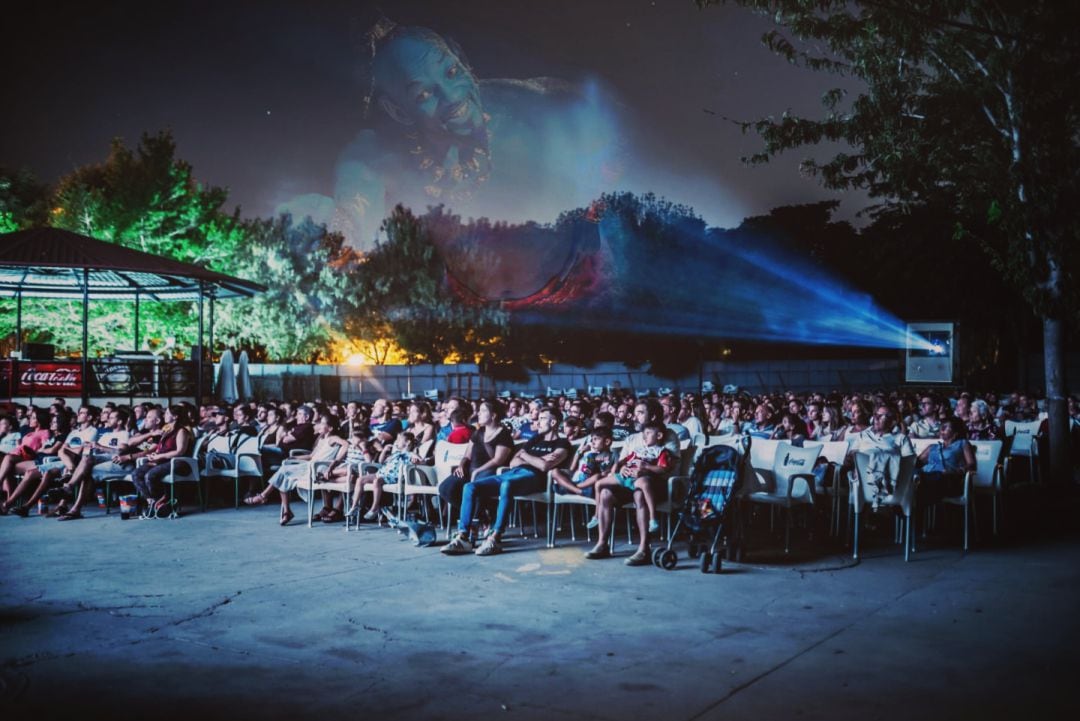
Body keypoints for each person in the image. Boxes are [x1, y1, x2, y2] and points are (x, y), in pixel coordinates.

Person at [442, 406, 571, 557]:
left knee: (506, 485)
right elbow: (513, 462)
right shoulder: (535, 439)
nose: (538, 421)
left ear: (554, 422)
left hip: (534, 478)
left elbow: (545, 466)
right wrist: (532, 459)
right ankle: (463, 537)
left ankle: (495, 538)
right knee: (470, 487)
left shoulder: (562, 443)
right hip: (513, 473)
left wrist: (525, 456)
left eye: (542, 418)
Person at [585, 399, 680, 565]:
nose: (635, 417)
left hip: (655, 484)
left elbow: (668, 468)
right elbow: (622, 463)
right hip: (630, 480)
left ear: (653, 416)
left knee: (639, 493)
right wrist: (622, 469)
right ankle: (602, 544)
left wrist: (646, 469)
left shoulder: (668, 435)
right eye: (635, 412)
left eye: (640, 413)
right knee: (606, 493)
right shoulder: (632, 438)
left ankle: (644, 549)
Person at [244, 413, 348, 525]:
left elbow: (346, 444)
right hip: (310, 466)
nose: (318, 425)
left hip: (317, 469)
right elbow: (311, 456)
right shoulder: (321, 439)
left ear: (330, 428)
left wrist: (335, 461)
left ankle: (264, 496)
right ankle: (286, 511)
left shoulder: (333, 438)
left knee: (284, 472)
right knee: (284, 474)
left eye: (322, 423)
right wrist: (293, 457)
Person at [592, 420, 672, 535]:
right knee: (599, 484)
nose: (644, 436)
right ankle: (596, 515)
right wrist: (621, 467)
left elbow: (663, 469)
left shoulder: (661, 452)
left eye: (648, 433)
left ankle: (653, 518)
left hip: (639, 478)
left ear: (659, 436)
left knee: (644, 485)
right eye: (644, 433)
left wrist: (647, 467)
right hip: (625, 476)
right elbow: (624, 461)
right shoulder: (637, 450)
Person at [438, 399, 514, 516]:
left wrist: (478, 471)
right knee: (445, 488)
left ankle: (475, 518)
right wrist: (461, 465)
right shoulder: (478, 432)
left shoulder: (504, 434)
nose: (478, 413)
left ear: (493, 415)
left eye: (483, 410)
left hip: (490, 471)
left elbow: (498, 460)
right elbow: (467, 454)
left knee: (476, 485)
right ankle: (477, 515)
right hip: (471, 469)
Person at [128, 405, 194, 517]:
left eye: (167, 413)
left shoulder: (182, 431)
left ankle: (161, 502)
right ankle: (154, 502)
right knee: (136, 474)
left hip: (179, 462)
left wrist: (160, 456)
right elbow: (161, 447)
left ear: (176, 416)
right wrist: (156, 454)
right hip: (163, 460)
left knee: (150, 475)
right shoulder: (166, 430)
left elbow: (179, 451)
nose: (165, 416)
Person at [347, 431, 419, 520]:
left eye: (399, 439)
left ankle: (374, 507)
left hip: (393, 477)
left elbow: (421, 461)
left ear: (407, 442)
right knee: (360, 480)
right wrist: (384, 451)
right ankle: (354, 506)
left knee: (377, 481)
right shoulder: (396, 453)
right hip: (382, 473)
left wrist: (417, 460)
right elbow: (381, 462)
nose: (396, 441)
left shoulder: (410, 454)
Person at [916, 416, 976, 510]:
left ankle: (909, 508)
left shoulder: (962, 443)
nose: (941, 429)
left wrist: (956, 471)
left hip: (949, 480)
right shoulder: (933, 447)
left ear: (956, 431)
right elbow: (916, 463)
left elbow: (972, 465)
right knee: (916, 478)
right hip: (928, 479)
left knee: (926, 483)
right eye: (941, 427)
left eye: (946, 427)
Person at [551, 425, 616, 499]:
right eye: (592, 440)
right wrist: (580, 453)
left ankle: (570, 488)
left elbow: (608, 470)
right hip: (576, 480)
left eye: (596, 439)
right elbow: (574, 469)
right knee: (554, 471)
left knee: (597, 476)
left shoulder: (610, 455)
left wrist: (604, 469)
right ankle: (577, 490)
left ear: (607, 442)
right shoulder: (589, 454)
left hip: (588, 483)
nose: (592, 442)